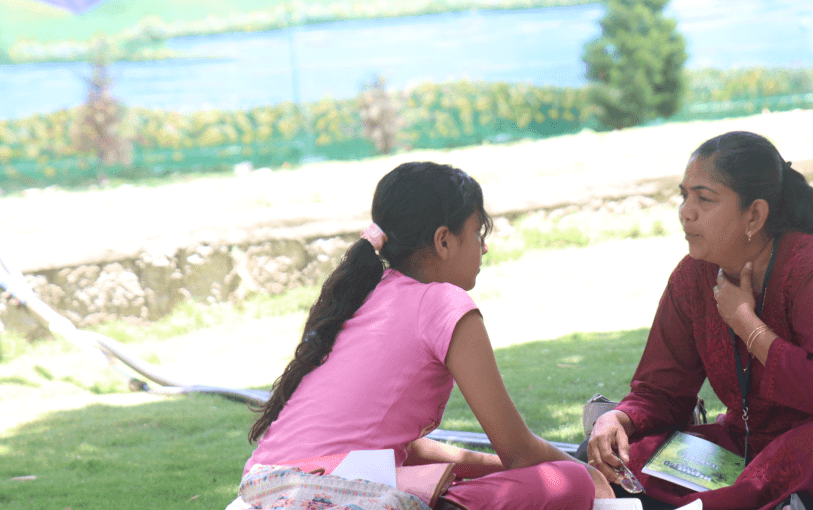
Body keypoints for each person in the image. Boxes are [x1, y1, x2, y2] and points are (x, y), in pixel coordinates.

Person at [585, 132, 813, 510]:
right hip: (750, 449)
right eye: (684, 195)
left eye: (704, 198)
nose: (685, 211)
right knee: (616, 457)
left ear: (754, 214)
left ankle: (712, 504)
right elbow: (661, 390)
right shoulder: (692, 277)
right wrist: (619, 419)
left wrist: (746, 323)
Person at [242, 161, 612, 509]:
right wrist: (587, 472)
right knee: (567, 481)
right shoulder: (443, 302)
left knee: (440, 477)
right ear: (444, 241)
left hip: (263, 490)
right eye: (478, 232)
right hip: (320, 495)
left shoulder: (369, 293)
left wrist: (495, 467)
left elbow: (406, 449)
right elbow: (518, 450)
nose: (484, 248)